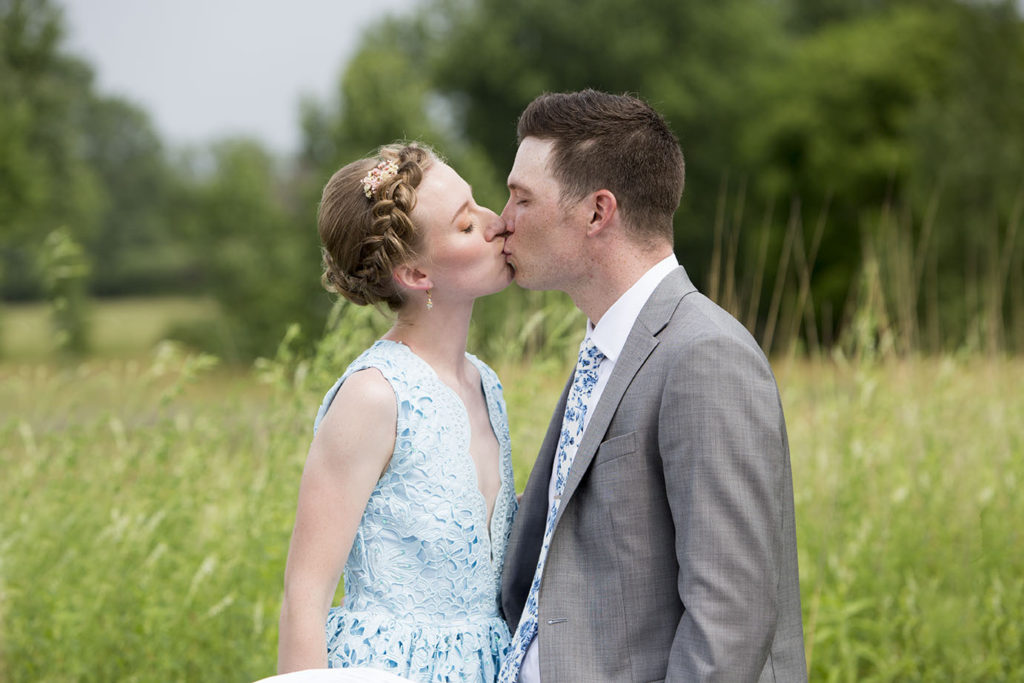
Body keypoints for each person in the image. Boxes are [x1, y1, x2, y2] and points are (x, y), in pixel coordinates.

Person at [488, 90, 807, 681]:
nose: (502, 220)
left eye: (521, 197)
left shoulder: (705, 355)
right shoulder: (607, 346)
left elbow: (729, 620)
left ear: (596, 212)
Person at [276, 142, 517, 682]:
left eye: (478, 203)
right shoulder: (373, 396)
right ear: (415, 274)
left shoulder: (486, 385)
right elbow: (305, 595)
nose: (496, 222)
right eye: (464, 225)